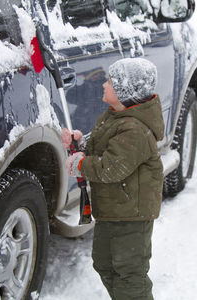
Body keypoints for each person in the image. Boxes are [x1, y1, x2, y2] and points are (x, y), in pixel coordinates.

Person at [61, 57, 164, 300]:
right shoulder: (114, 118)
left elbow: (112, 167)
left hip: (131, 215)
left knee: (129, 272)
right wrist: (81, 145)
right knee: (104, 263)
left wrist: (81, 164)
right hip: (114, 211)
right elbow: (107, 149)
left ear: (125, 90)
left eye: (109, 81)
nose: (103, 85)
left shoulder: (135, 129)